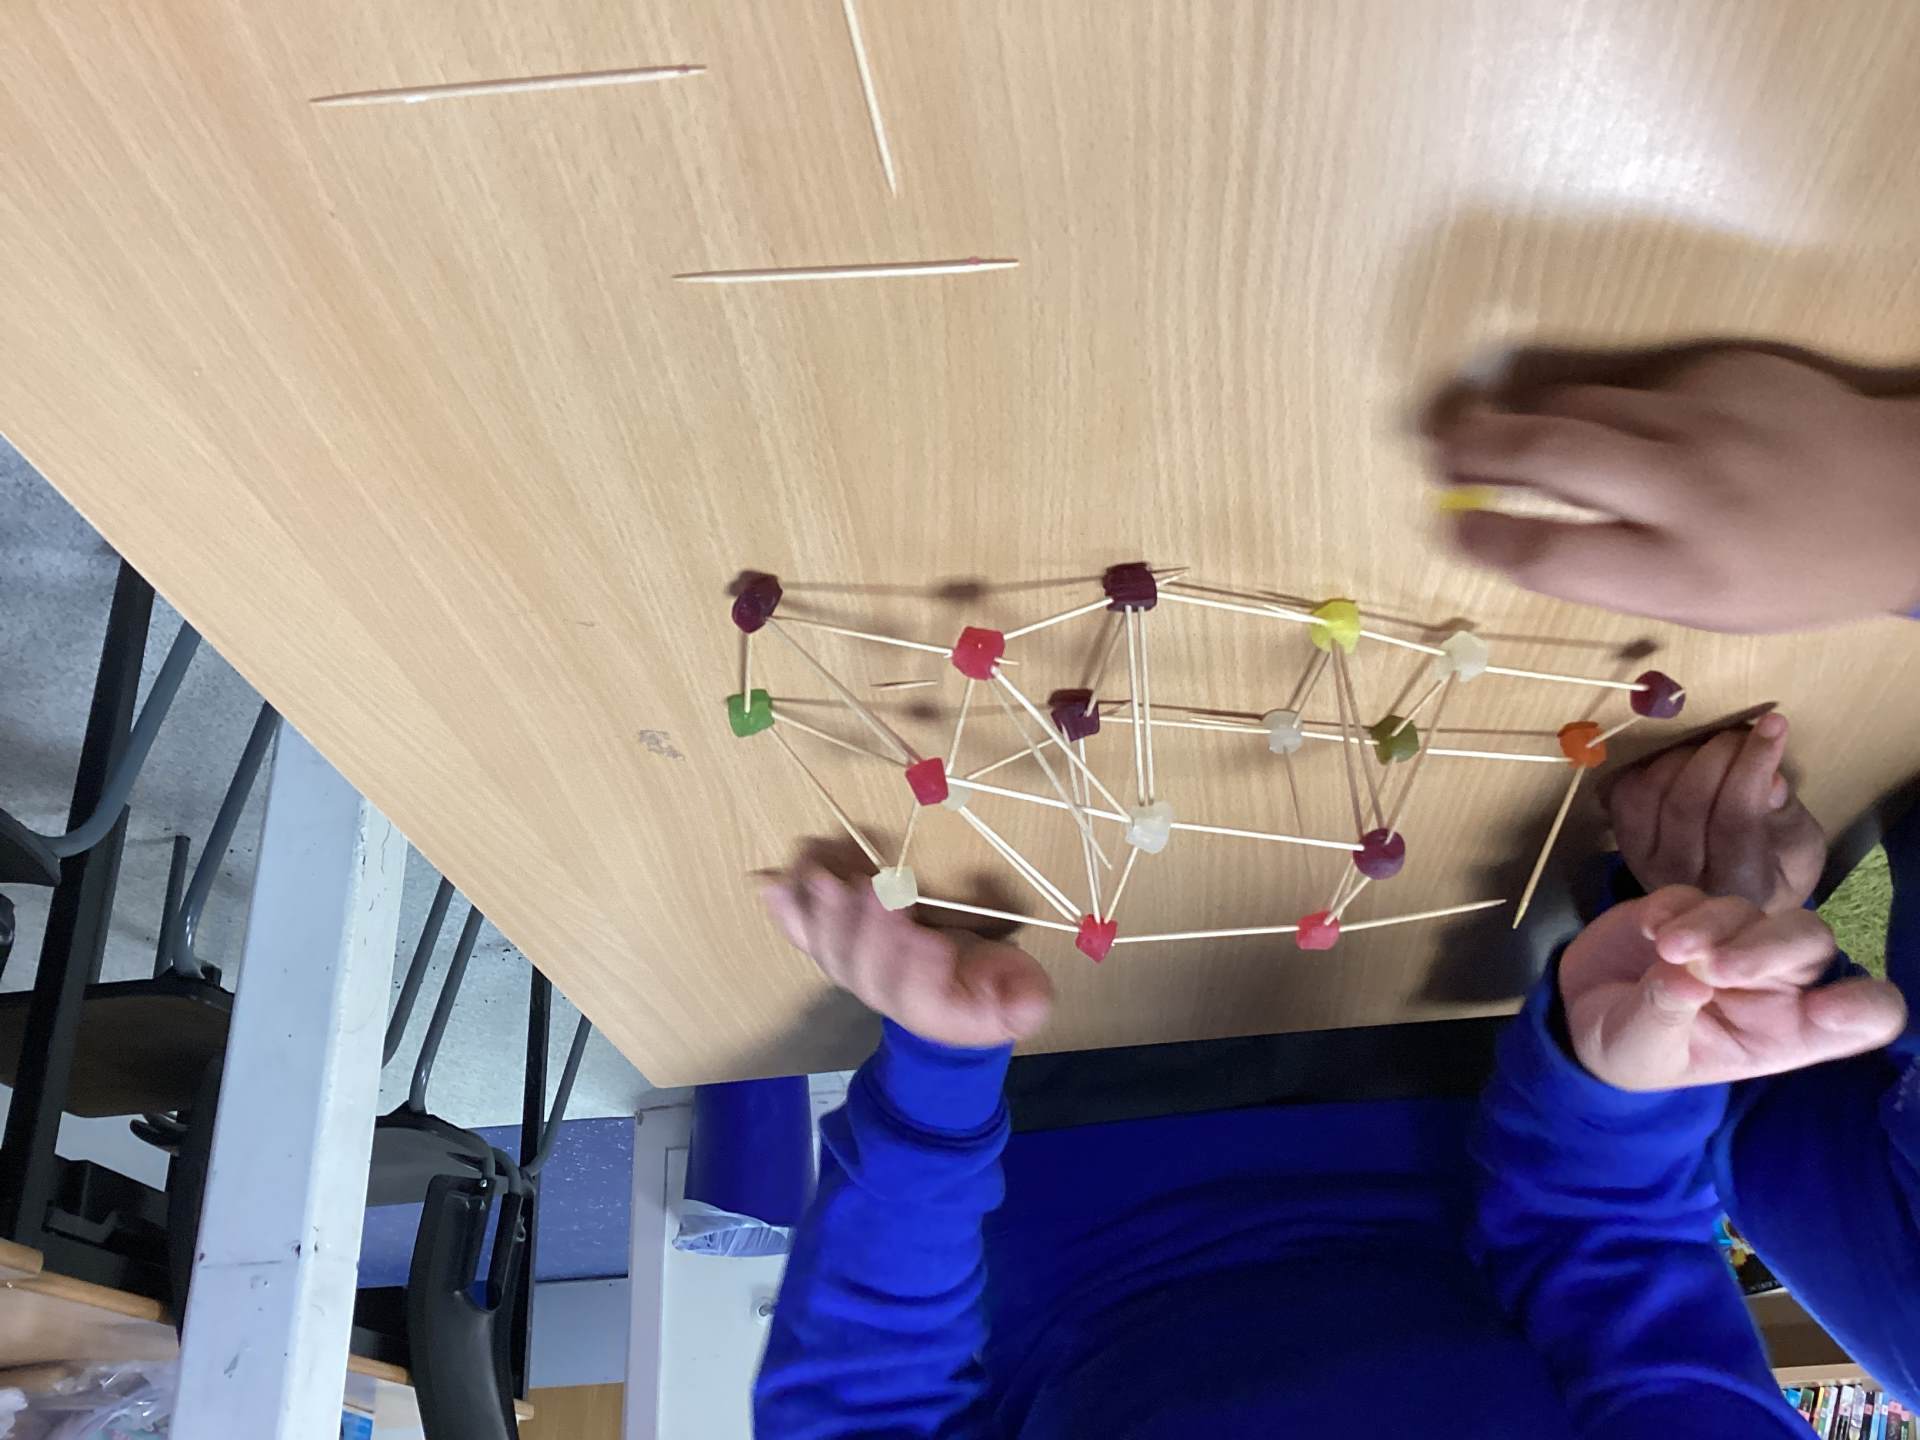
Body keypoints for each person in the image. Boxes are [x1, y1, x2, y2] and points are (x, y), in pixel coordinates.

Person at [752, 344, 1920, 1436]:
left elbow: (861, 1406)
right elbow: (1613, 1256)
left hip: (1042, 1103)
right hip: (1468, 1060)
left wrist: (931, 1100)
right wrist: (1614, 1090)